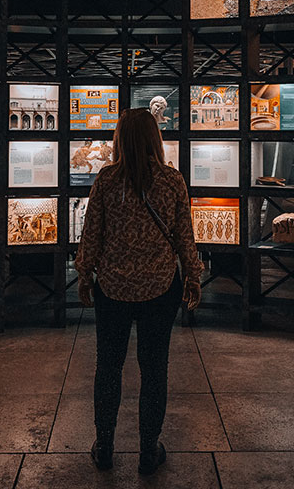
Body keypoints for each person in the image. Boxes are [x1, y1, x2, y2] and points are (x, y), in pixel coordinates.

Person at [74, 108, 204, 475]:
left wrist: (85, 275)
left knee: (108, 368)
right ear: (154, 139)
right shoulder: (172, 180)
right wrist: (193, 277)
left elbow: (92, 235)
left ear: (119, 140)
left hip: (113, 289)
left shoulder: (106, 179)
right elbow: (184, 237)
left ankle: (105, 446)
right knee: (154, 368)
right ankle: (149, 449)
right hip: (160, 288)